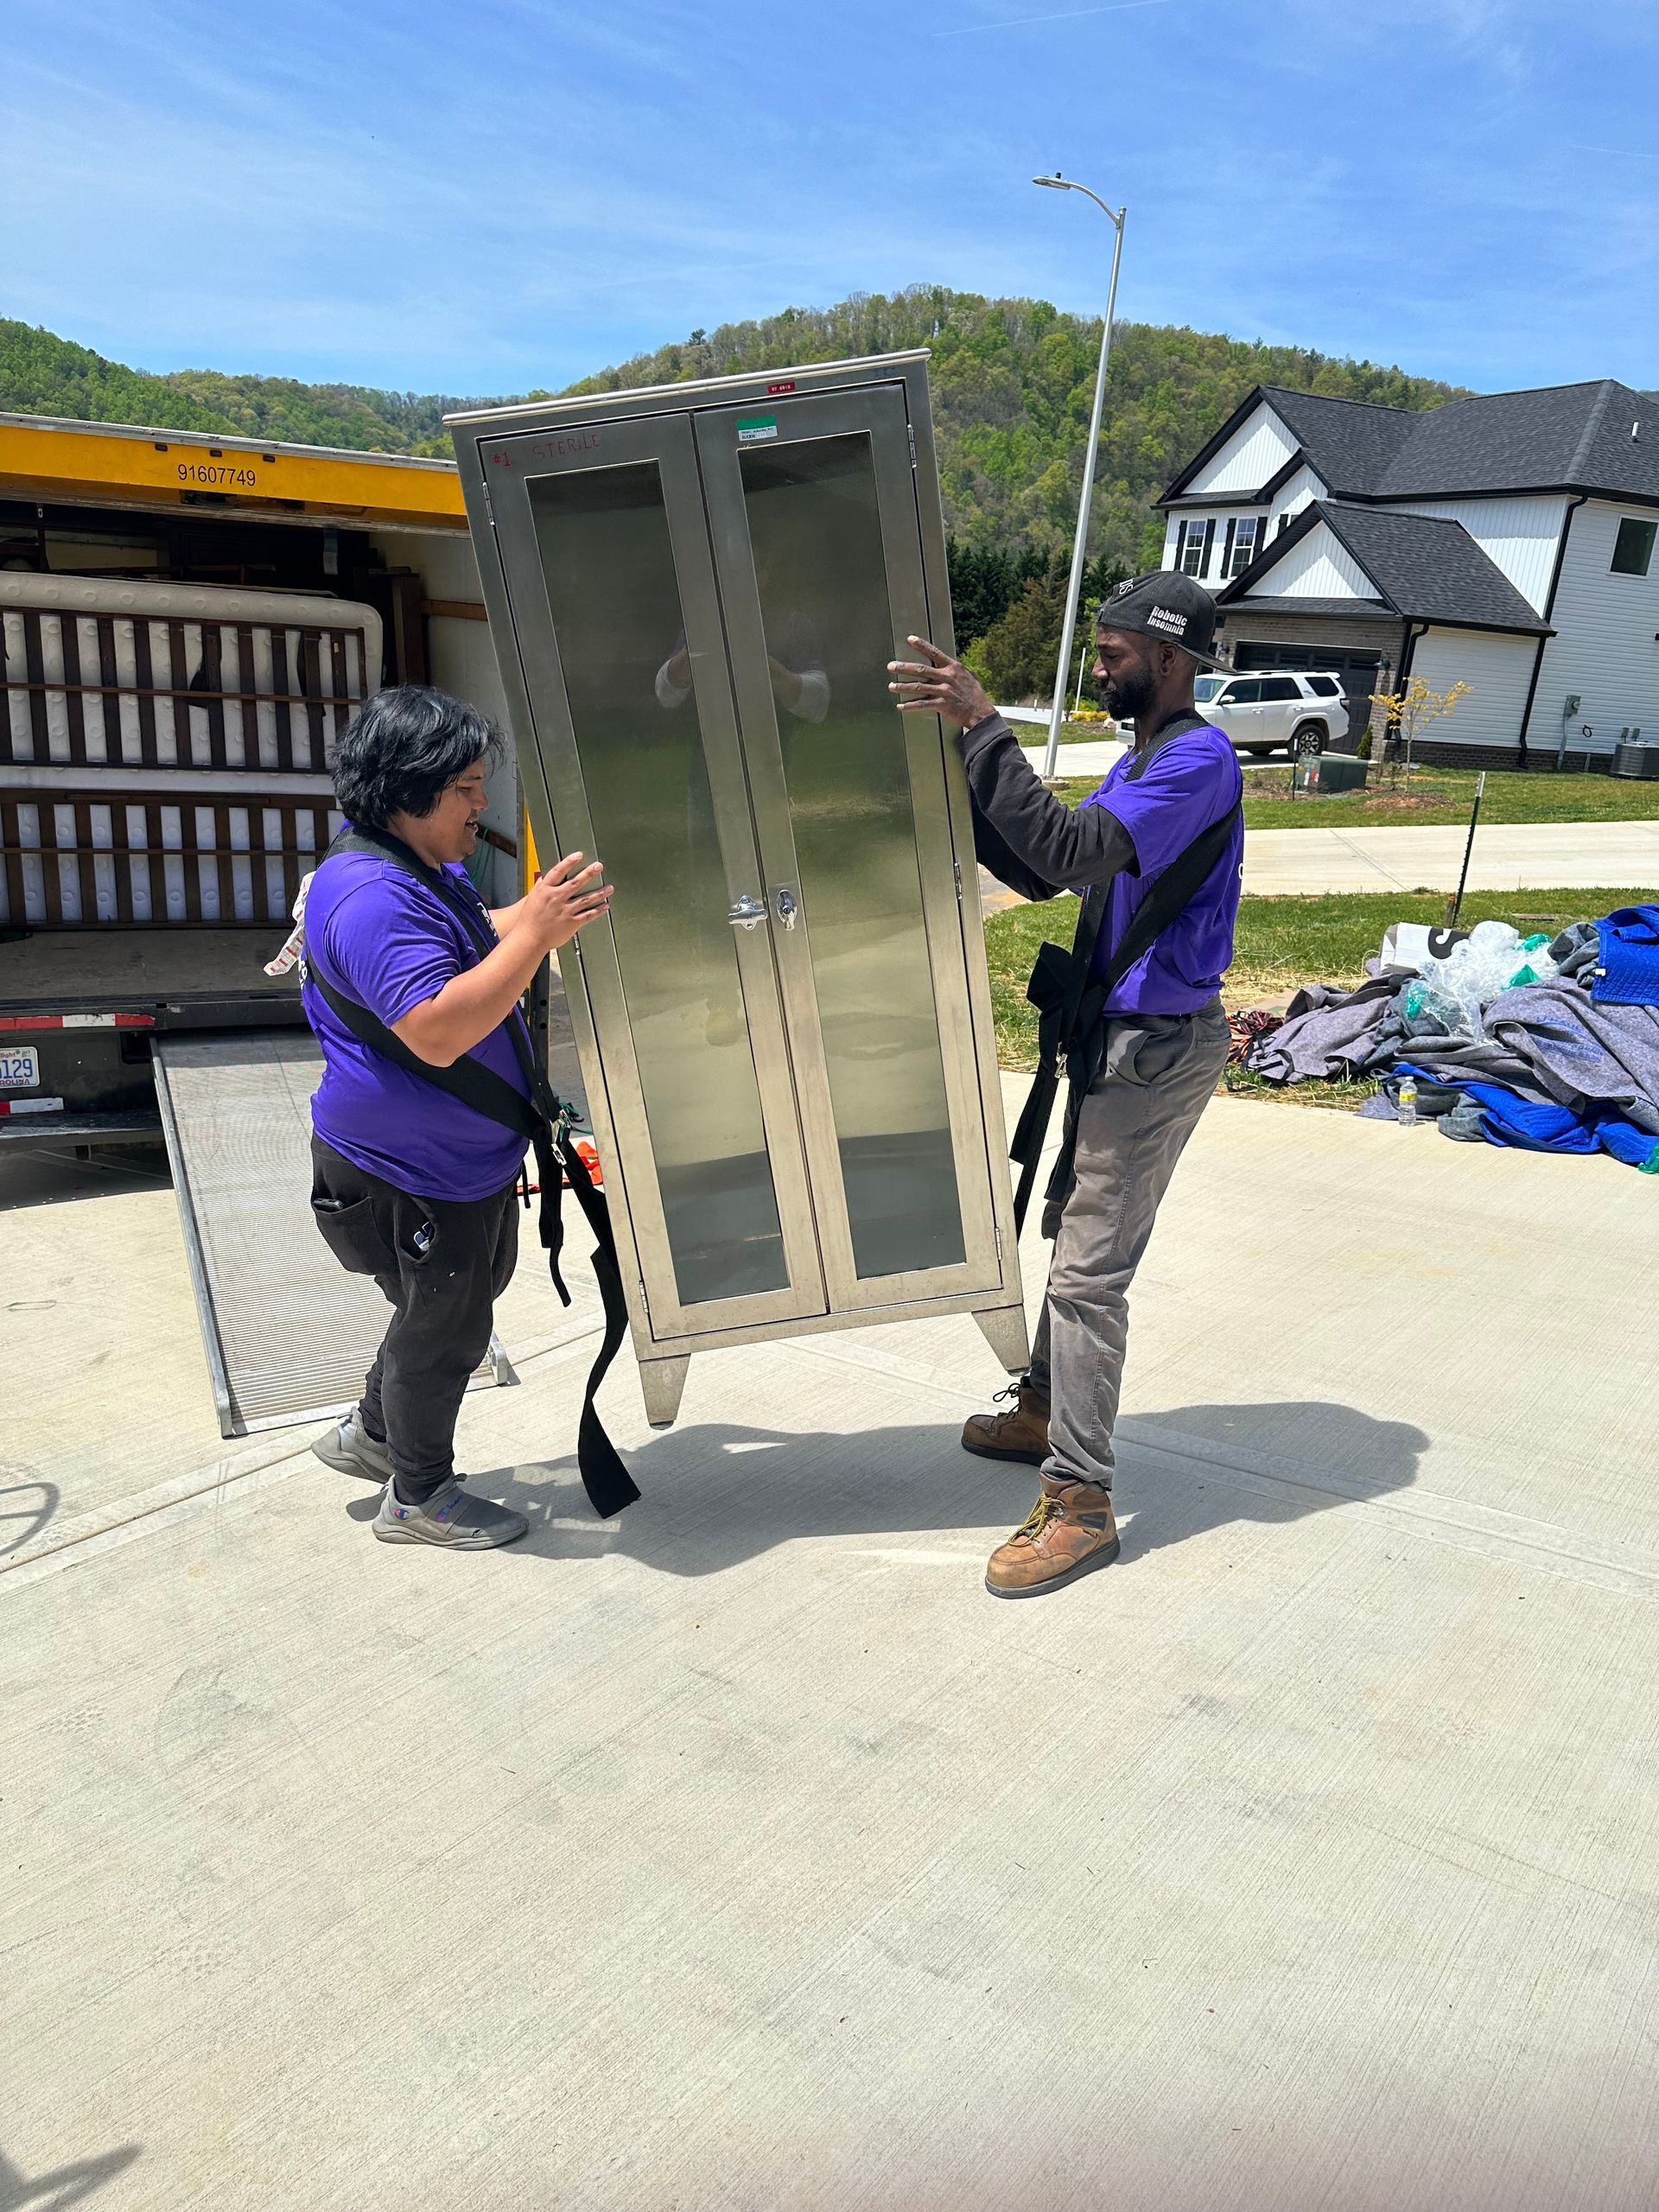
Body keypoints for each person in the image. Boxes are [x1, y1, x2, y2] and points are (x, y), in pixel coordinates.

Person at [889, 572, 1243, 1599]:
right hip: (1119, 1034)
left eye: (1115, 651)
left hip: (1158, 1044)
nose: (1099, 664)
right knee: (1074, 1232)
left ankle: (1081, 1499)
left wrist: (985, 725)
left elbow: (1063, 846)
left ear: (1170, 659)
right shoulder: (1151, 754)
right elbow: (1046, 870)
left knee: (1090, 1272)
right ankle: (1047, 1403)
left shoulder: (1196, 761)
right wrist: (963, 761)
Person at [302, 686, 613, 1550]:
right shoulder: (371, 897)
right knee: (446, 1329)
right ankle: (418, 1495)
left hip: (445, 1166)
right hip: (406, 1172)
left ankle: (372, 1435)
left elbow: (477, 937)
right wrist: (536, 938)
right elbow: (434, 1027)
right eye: (467, 788)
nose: (483, 804)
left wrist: (544, 914)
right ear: (411, 791)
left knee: (441, 1313)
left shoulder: (413, 871)